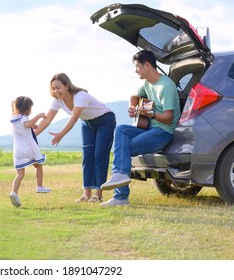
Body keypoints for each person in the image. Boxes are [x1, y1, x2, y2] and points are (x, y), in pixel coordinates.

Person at [100, 50, 181, 207]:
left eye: (137, 66)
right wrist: (132, 107)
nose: (135, 70)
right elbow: (134, 97)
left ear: (147, 65)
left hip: (163, 132)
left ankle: (121, 195)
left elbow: (168, 117)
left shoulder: (166, 86)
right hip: (149, 128)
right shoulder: (147, 83)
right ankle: (119, 176)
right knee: (121, 129)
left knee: (124, 148)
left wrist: (149, 113)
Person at [35, 73, 116, 203]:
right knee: (87, 156)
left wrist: (60, 134)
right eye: (53, 88)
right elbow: (47, 119)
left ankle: (98, 194)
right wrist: (32, 136)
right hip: (87, 123)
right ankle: (86, 194)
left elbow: (73, 118)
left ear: (67, 85)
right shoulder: (57, 101)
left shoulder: (80, 96)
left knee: (99, 155)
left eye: (58, 87)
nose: (56, 91)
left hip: (105, 120)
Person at [10, 96, 52, 208]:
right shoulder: (24, 118)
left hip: (18, 151)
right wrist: (38, 116)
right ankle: (39, 186)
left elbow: (24, 128)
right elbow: (27, 124)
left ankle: (14, 192)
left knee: (20, 174)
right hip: (28, 149)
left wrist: (32, 127)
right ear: (27, 109)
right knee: (38, 166)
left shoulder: (14, 119)